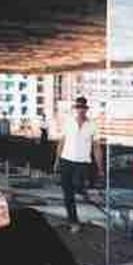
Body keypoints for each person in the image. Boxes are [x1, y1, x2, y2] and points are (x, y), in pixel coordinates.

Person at [54, 96, 103, 232]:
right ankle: (73, 221)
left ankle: (84, 192)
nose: (80, 110)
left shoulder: (92, 125)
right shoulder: (68, 122)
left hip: (82, 162)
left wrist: (100, 168)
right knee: (67, 193)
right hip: (66, 160)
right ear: (75, 109)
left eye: (83, 108)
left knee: (77, 185)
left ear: (86, 109)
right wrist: (57, 160)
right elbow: (61, 142)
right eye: (78, 108)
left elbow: (96, 147)